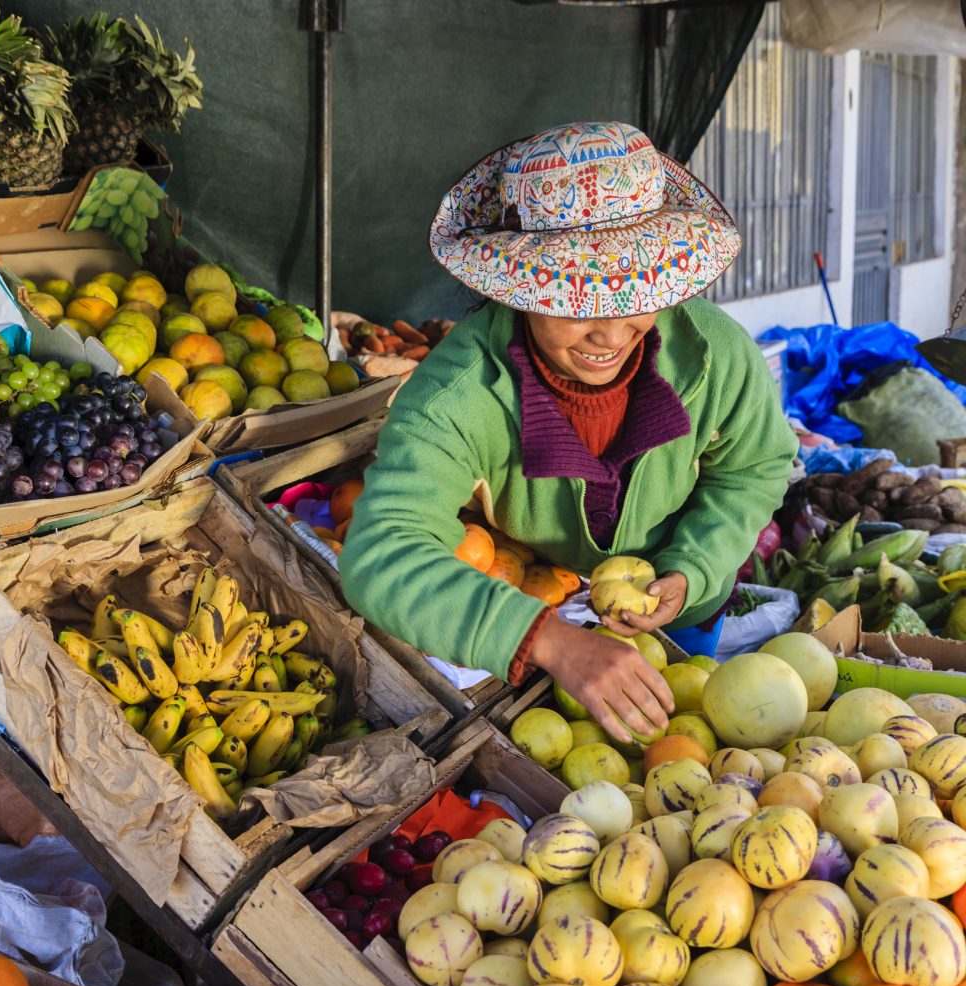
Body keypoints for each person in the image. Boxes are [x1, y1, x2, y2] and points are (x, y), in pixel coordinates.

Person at [338, 121, 797, 743]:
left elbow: (754, 468)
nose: (609, 333)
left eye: (636, 292)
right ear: (518, 290)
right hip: (526, 614)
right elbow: (381, 553)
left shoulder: (715, 353)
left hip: (680, 609)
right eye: (575, 300)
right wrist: (547, 639)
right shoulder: (456, 394)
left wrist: (692, 569)